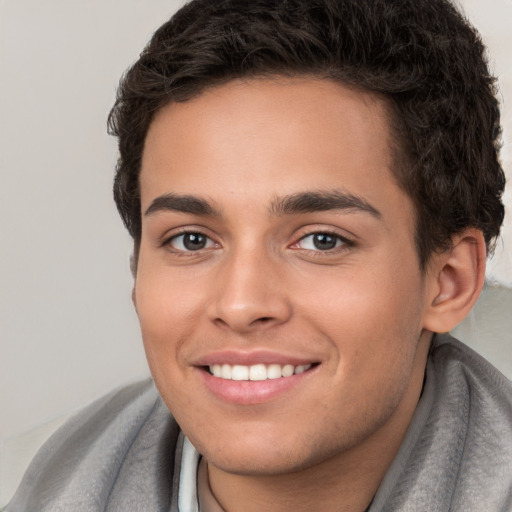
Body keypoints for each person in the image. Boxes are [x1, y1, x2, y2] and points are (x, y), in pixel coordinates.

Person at [6, 0, 511, 510]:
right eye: (192, 240)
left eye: (321, 240)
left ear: (449, 281)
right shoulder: (21, 488)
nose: (241, 305)